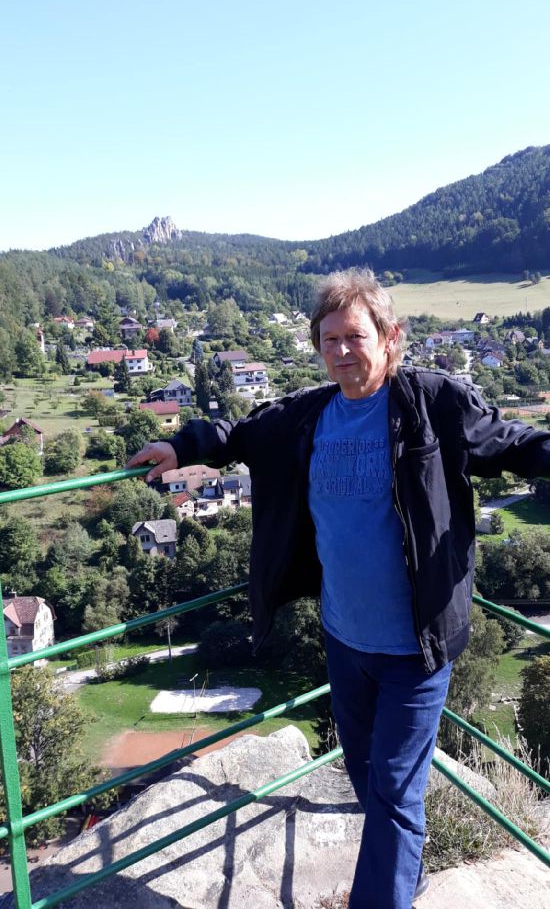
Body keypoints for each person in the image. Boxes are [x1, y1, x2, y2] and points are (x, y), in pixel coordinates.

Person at [127, 269, 550, 909]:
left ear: (389, 337)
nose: (343, 351)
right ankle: (404, 873)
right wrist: (179, 444)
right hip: (345, 639)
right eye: (330, 340)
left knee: (395, 795)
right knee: (365, 775)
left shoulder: (432, 403)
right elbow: (240, 433)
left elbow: (512, 442)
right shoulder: (309, 414)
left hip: (415, 647)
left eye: (355, 336)